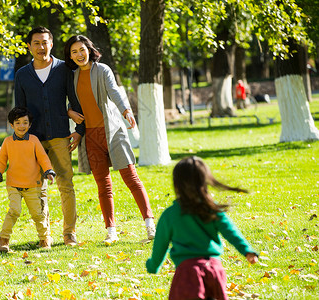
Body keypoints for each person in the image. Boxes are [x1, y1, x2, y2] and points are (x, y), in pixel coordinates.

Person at [63, 35, 155, 245]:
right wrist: (69, 112)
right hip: (91, 137)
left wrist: (126, 110)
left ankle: (150, 224)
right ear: (70, 56)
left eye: (82, 49)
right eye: (74, 52)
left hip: (113, 132)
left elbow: (114, 91)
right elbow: (68, 102)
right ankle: (111, 230)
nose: (79, 55)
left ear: (89, 49)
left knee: (131, 178)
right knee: (103, 185)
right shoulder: (72, 76)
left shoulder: (102, 70)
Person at [146, 156, 259, 300]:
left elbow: (160, 245)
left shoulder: (170, 215)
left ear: (177, 184)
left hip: (187, 274)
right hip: (213, 270)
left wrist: (153, 265)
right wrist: (247, 250)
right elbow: (231, 232)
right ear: (204, 181)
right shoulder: (212, 209)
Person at [15, 27, 84, 246]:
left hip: (60, 136)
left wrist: (79, 131)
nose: (41, 47)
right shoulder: (22, 75)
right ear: (29, 46)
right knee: (38, 188)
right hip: (33, 140)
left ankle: (69, 233)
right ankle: (44, 236)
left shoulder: (64, 69)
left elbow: (75, 101)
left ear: (51, 44)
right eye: (36, 43)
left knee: (65, 184)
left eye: (45, 42)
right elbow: (19, 110)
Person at [0, 107, 56, 251]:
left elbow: (43, 158)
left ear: (30, 125)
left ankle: (44, 239)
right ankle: (4, 241)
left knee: (38, 215)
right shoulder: (8, 142)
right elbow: (1, 161)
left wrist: (48, 171)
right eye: (18, 122)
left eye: (25, 122)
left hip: (33, 184)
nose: (22, 126)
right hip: (13, 184)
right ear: (11, 125)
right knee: (14, 210)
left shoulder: (34, 140)